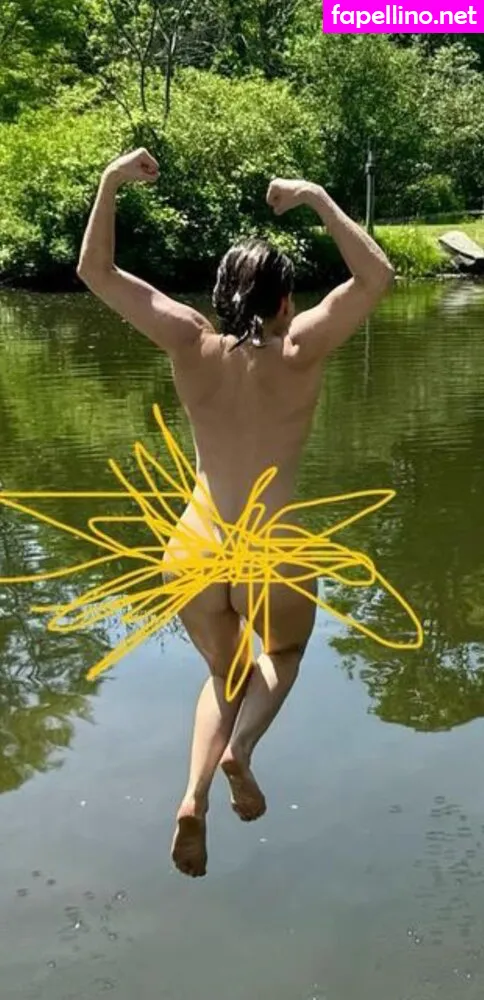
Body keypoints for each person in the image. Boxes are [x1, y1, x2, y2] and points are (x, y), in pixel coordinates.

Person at [77, 148, 394, 878]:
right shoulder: (301, 349)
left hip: (196, 545)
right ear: (285, 302)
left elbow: (95, 272)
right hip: (272, 548)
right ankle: (242, 750)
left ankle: (192, 797)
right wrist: (315, 196)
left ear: (222, 296)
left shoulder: (190, 340)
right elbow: (376, 275)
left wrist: (111, 182)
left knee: (226, 672)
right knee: (282, 654)